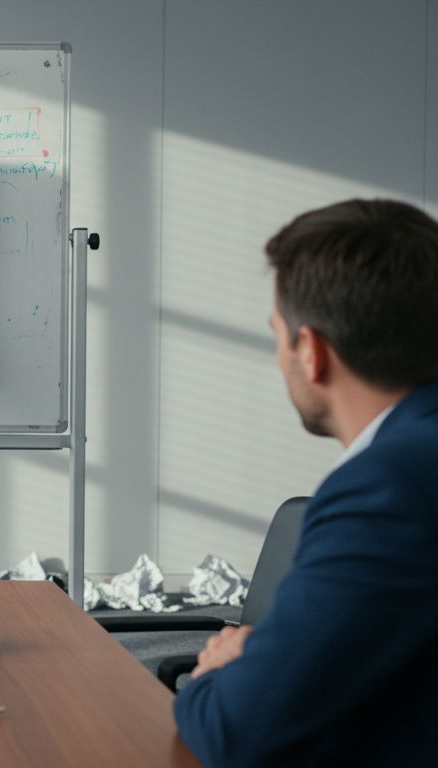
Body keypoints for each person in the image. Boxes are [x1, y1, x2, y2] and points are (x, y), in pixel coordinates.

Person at [173, 199, 438, 765]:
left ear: (311, 351)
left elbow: (236, 732)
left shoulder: (388, 487)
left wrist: (215, 675)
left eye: (278, 335)